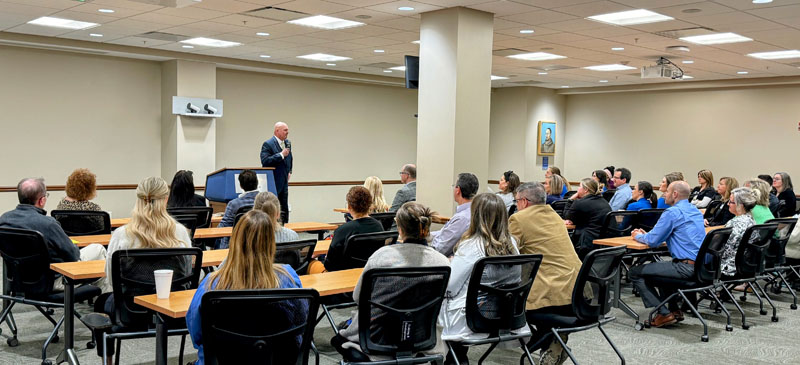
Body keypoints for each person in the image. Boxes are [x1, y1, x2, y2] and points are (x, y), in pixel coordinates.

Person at [89, 176, 193, 362]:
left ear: (138, 199)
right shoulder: (180, 232)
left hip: (130, 311)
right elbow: (186, 274)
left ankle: (108, 361)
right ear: (166, 199)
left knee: (100, 302)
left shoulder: (121, 234)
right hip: (172, 311)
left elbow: (112, 279)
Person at [331, 202, 450, 362]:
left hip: (377, 338)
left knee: (342, 333)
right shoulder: (442, 262)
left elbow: (358, 297)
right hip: (420, 336)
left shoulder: (382, 257)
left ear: (400, 229)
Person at [187, 210, 304, 365]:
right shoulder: (288, 277)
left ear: (235, 240)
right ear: (271, 243)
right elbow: (301, 322)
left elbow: (197, 333)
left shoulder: (212, 284)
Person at [440, 193, 525, 364]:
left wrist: (452, 264)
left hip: (474, 317)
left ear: (476, 216)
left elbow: (449, 287)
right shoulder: (512, 244)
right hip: (506, 315)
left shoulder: (472, 245)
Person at [509, 182, 582, 365]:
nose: (516, 204)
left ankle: (549, 339)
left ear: (524, 202)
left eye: (516, 201)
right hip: (578, 291)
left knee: (508, 303)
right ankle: (553, 339)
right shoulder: (555, 216)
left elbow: (506, 253)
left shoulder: (519, 219)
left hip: (551, 292)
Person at [0, 177, 107, 289]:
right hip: (51, 282)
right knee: (98, 249)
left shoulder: (4, 219)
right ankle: (103, 300)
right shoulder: (48, 224)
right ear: (41, 200)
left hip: (16, 279)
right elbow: (73, 255)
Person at [628, 181, 705, 327]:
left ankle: (664, 313)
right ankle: (674, 310)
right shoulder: (694, 211)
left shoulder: (672, 212)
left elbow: (653, 242)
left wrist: (637, 235)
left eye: (667, 191)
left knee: (634, 272)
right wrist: (649, 235)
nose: (664, 194)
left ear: (675, 194)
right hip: (701, 267)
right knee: (661, 270)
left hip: (685, 267)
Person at [320, 186, 383, 273]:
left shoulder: (343, 230)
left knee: (313, 264)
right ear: (369, 205)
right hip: (370, 272)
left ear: (349, 206)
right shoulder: (378, 226)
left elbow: (330, 265)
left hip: (342, 274)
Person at [431, 173, 478, 257]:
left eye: (454, 186)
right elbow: (445, 233)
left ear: (458, 190)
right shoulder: (470, 211)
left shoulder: (462, 218)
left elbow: (440, 249)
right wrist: (426, 235)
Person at [565, 178, 611, 257]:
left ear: (585, 190)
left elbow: (567, 216)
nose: (578, 189)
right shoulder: (604, 202)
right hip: (602, 242)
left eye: (579, 186)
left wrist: (570, 200)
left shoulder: (580, 203)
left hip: (586, 242)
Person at [216, 169, 259, 249]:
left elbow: (222, 227)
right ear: (257, 183)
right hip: (259, 243)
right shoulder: (265, 202)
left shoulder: (233, 204)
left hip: (236, 246)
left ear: (241, 185)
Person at [719, 187, 757, 277]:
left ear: (741, 205)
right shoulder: (750, 219)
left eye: (731, 202)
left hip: (729, 266)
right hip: (744, 265)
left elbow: (725, 249)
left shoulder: (736, 223)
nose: (728, 204)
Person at [260, 121, 293, 223]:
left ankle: (285, 227)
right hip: (273, 182)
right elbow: (265, 161)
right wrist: (281, 155)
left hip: (284, 182)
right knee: (273, 207)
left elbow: (290, 158)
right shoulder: (268, 144)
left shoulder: (287, 143)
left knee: (284, 207)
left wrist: (289, 171)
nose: (287, 132)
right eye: (285, 130)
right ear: (277, 131)